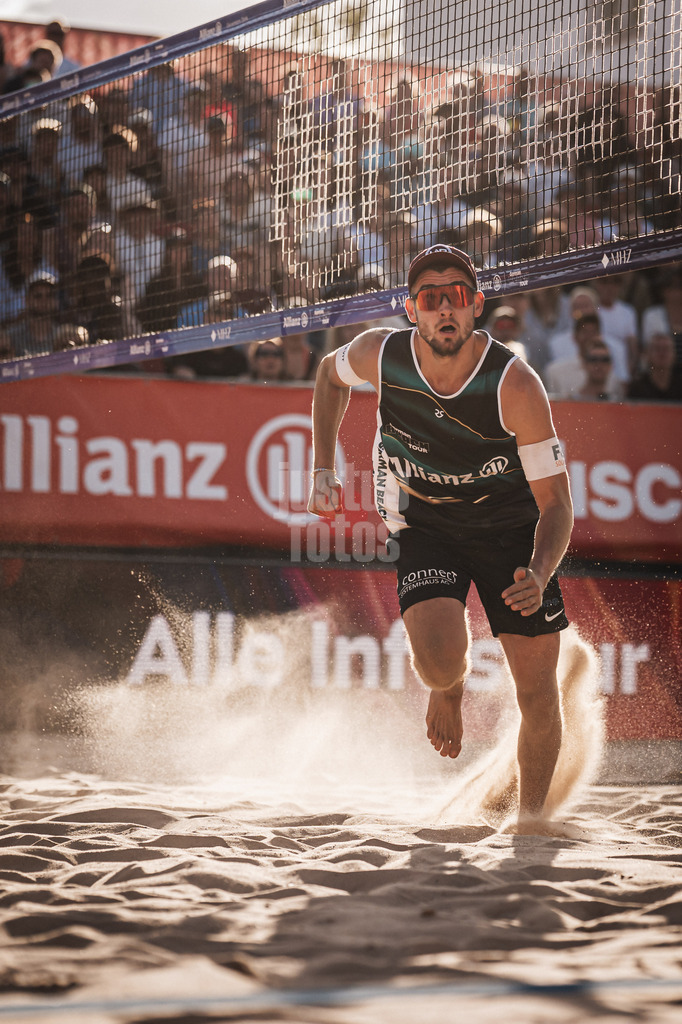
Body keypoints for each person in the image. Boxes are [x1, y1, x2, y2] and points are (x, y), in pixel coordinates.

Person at [308, 244, 573, 831]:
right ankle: (447, 690)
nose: (444, 310)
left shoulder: (516, 385)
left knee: (537, 693)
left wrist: (540, 570)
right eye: (431, 299)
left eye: (456, 297)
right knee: (438, 661)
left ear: (476, 305)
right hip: (422, 518)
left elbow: (558, 505)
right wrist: (323, 466)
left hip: (509, 526)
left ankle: (531, 819)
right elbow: (329, 376)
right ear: (411, 310)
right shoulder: (381, 353)